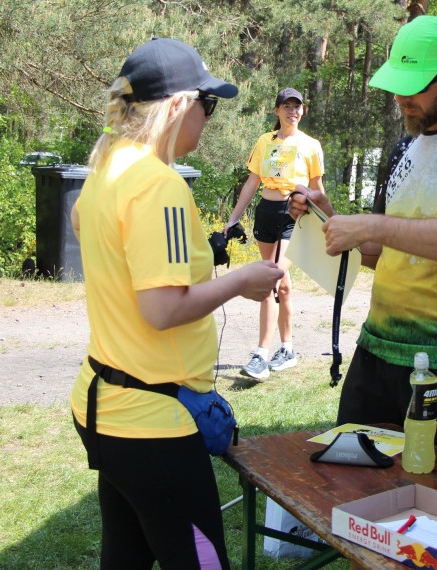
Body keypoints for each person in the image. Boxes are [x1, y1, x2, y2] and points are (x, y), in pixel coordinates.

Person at [69, 38, 284, 569]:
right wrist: (242, 281)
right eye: (207, 105)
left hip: (105, 402)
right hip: (151, 422)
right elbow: (161, 309)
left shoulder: (108, 163)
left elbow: (82, 226)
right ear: (177, 106)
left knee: (127, 557)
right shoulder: (157, 184)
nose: (210, 118)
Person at [289, 15, 437, 474]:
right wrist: (330, 219)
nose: (401, 98)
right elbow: (390, 253)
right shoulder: (405, 149)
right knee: (351, 490)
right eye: (397, 84)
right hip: (376, 354)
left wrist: (371, 225)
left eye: (414, 86)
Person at [225, 88, 325, 380]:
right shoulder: (264, 142)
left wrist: (330, 223)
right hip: (266, 213)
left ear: (303, 111)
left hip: (295, 215)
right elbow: (251, 183)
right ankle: (288, 349)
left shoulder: (311, 145)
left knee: (271, 277)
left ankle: (260, 355)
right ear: (277, 110)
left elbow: (318, 188)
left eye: (297, 107)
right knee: (282, 286)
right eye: (287, 106)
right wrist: (232, 219)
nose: (292, 111)